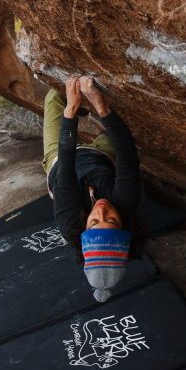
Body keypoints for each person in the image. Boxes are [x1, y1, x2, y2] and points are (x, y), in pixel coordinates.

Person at [42, 75, 141, 302]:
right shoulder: (126, 205)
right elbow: (127, 155)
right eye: (112, 220)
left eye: (95, 221)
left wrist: (72, 109)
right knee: (124, 124)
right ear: (123, 224)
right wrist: (100, 105)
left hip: (61, 160)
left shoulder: (69, 223)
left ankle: (78, 107)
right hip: (100, 158)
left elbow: (66, 166)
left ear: (85, 228)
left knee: (55, 96)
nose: (102, 210)